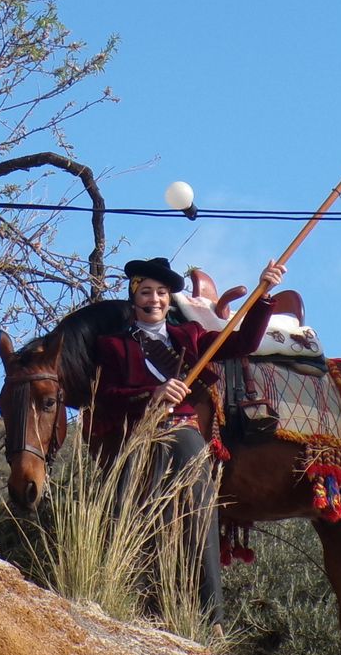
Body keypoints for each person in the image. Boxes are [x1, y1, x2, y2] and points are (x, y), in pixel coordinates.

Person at [90, 255, 285, 626]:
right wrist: (153, 392)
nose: (154, 299)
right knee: (122, 503)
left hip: (181, 428)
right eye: (146, 292)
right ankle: (116, 590)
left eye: (161, 293)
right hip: (137, 432)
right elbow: (106, 394)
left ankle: (211, 615)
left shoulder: (190, 336)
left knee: (200, 498)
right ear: (134, 297)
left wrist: (263, 294)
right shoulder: (112, 346)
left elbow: (242, 342)